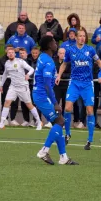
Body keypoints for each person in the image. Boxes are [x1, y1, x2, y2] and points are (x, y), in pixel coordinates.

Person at [56, 29, 101, 149]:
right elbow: (64, 64)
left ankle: (89, 140)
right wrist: (59, 75)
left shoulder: (90, 50)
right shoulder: (70, 50)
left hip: (87, 84)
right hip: (74, 83)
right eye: (80, 36)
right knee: (67, 108)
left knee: (90, 111)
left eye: (84, 36)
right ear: (76, 38)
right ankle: (68, 134)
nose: (82, 38)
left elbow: (99, 61)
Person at [34, 36, 79, 165]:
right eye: (54, 42)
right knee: (60, 121)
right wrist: (55, 103)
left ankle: (63, 157)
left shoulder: (43, 57)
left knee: (58, 124)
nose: (56, 44)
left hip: (40, 95)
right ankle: (44, 150)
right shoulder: (48, 61)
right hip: (42, 96)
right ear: (49, 45)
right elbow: (47, 84)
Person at [0, 46, 42, 129]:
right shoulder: (7, 63)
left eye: (12, 53)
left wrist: (28, 74)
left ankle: (39, 122)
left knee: (29, 104)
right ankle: (2, 123)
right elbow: (5, 74)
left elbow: (31, 69)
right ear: (7, 54)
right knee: (7, 102)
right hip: (13, 87)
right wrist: (1, 85)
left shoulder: (20, 61)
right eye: (9, 53)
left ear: (14, 54)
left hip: (23, 86)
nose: (11, 54)